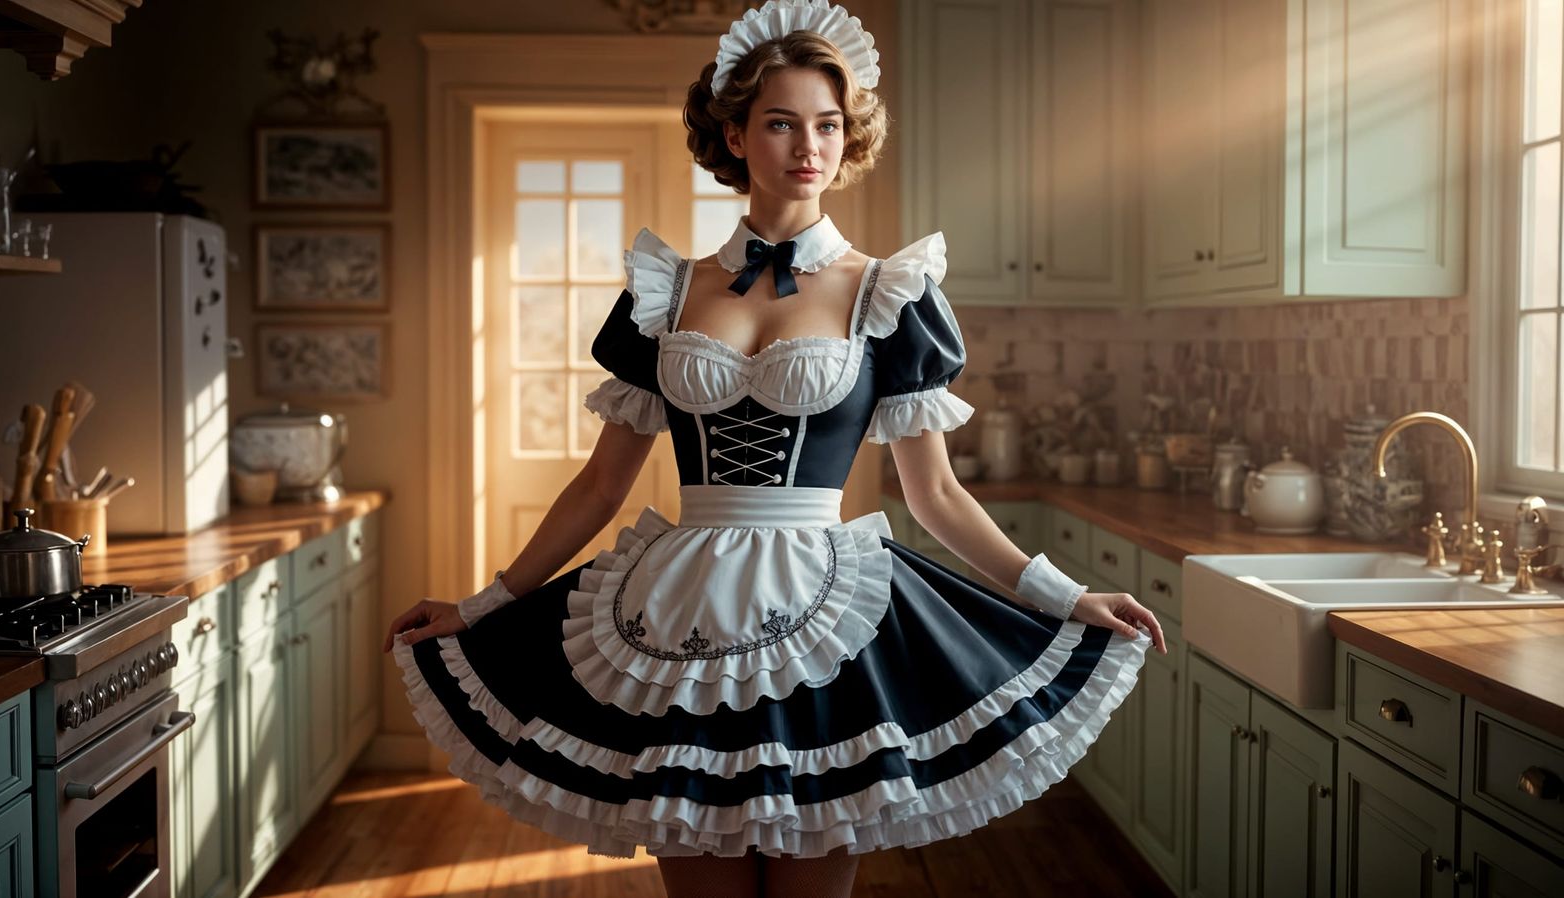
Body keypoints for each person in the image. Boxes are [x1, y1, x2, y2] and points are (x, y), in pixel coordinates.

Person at [384, 1, 1166, 895]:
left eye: (829, 125)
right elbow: (602, 486)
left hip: (829, 618)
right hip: (673, 615)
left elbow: (936, 496)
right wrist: (482, 607)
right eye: (783, 122)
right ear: (735, 132)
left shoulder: (889, 291)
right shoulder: (665, 293)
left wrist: (1064, 594)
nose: (810, 146)